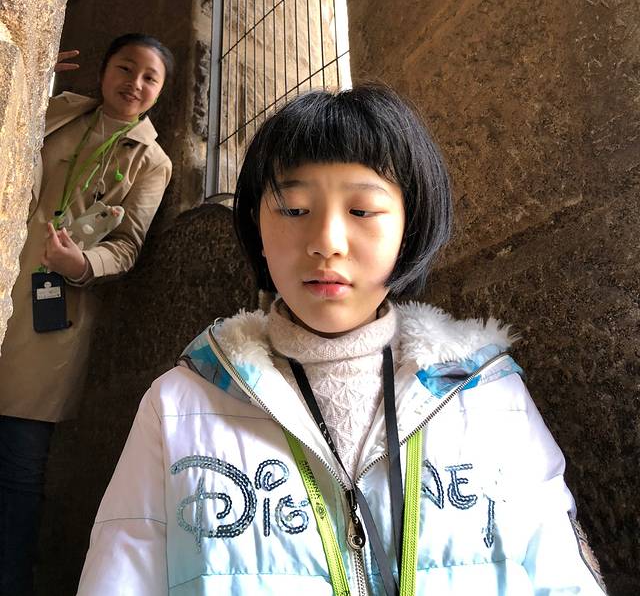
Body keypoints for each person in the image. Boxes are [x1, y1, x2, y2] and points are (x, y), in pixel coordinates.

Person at [78, 85, 605, 595]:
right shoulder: (177, 406)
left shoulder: (490, 396)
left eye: (362, 211)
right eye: (293, 209)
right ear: (258, 229)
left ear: (410, 227)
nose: (327, 242)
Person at [0, 33, 174, 596]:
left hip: (49, 311)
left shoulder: (152, 161)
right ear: (103, 71)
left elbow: (127, 246)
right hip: (6, 266)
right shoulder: (59, 110)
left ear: (160, 92)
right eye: (125, 67)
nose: (134, 83)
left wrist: (81, 264)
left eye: (149, 78)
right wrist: (23, 73)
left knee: (19, 464)